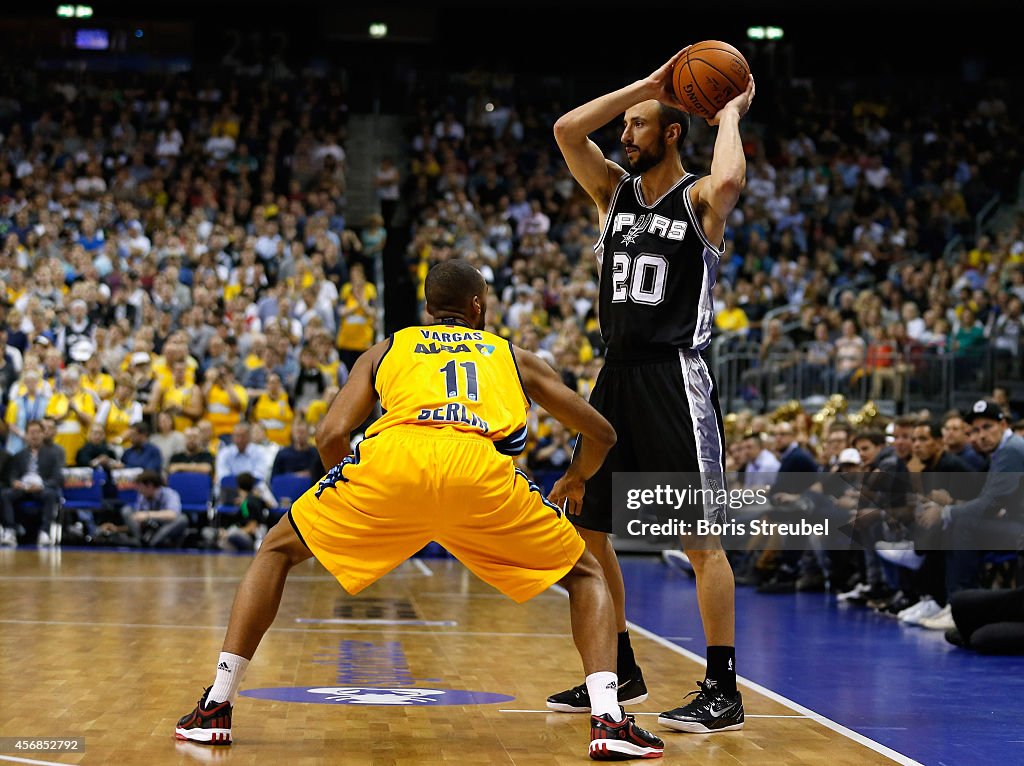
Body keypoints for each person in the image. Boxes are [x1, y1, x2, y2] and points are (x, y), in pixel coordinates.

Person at [174, 260, 664, 760]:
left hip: (391, 464)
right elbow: (602, 433)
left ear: (428, 309)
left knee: (275, 549)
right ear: (478, 306)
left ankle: (216, 707)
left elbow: (330, 436)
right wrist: (575, 477)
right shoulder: (512, 355)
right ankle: (609, 720)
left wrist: (349, 489)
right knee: (587, 576)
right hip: (478, 470)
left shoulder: (388, 347)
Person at [551, 46, 754, 733]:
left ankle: (722, 688)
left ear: (671, 132)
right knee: (585, 528)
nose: (623, 134)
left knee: (700, 540)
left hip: (674, 375)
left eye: (637, 124)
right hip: (614, 375)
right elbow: (566, 131)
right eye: (626, 125)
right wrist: (647, 84)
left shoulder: (696, 195)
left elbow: (728, 185)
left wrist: (728, 113)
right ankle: (621, 667)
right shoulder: (612, 193)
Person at [0, 419, 65, 546]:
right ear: (27, 435)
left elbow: (57, 477)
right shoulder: (19, 455)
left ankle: (44, 532)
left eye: (37, 432)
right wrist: (15, 482)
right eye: (31, 432)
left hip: (41, 487)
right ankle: (10, 531)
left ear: (43, 434)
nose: (34, 435)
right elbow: (12, 475)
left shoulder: (53, 454)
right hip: (23, 487)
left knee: (50, 494)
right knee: (5, 494)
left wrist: (42, 485)